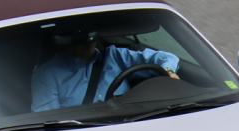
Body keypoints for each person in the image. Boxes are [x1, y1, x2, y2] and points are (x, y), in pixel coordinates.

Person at [31, 30, 180, 112]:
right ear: (63, 41)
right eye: (79, 35)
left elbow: (166, 57)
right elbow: (49, 121)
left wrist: (168, 71)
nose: (88, 38)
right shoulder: (47, 75)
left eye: (90, 32)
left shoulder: (114, 56)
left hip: (132, 123)